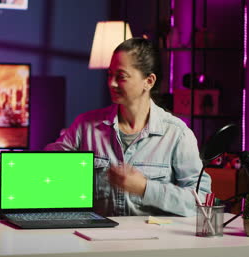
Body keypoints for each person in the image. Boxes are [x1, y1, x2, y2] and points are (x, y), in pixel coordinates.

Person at [45, 37, 211, 217]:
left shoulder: (177, 134)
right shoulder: (85, 127)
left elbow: (201, 201)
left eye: (121, 76)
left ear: (149, 81)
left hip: (156, 243)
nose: (111, 83)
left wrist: (145, 188)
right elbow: (46, 171)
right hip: (95, 241)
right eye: (109, 75)